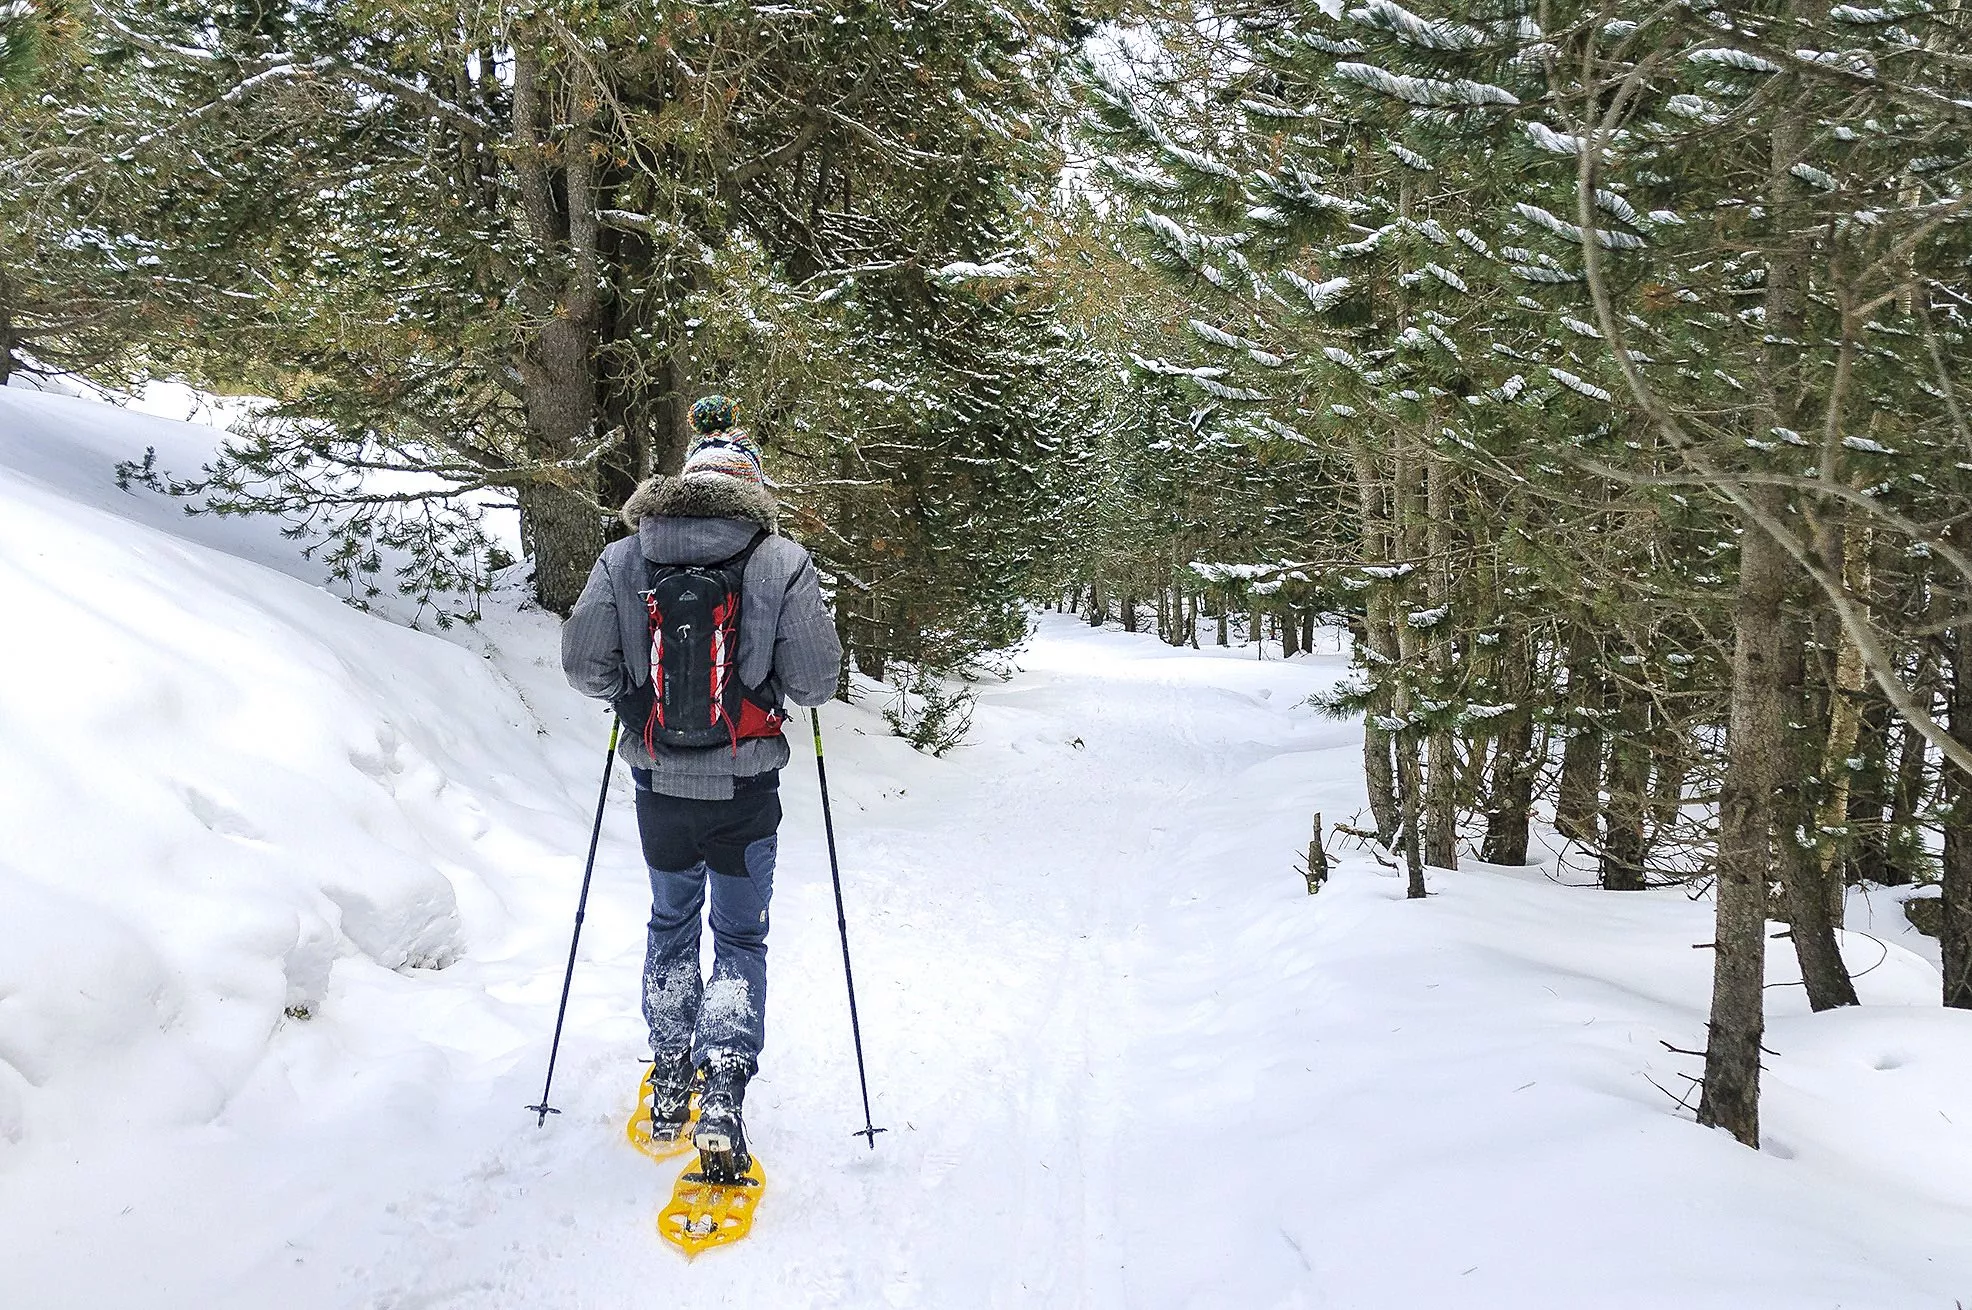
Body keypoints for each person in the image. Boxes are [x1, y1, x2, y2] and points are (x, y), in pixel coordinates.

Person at [560, 394, 842, 1180]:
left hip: (659, 788)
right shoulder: (781, 562)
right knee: (741, 937)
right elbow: (817, 683)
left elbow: (584, 665)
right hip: (747, 791)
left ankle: (670, 1072)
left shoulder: (623, 558)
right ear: (751, 488)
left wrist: (633, 699)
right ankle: (724, 1086)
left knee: (671, 922)